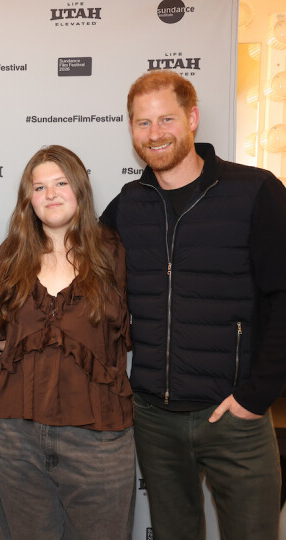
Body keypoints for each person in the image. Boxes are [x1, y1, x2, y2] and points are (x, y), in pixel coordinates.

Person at [100, 70, 286, 540]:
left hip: (234, 416)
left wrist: (256, 395)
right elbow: (70, 256)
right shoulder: (128, 204)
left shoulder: (255, 191)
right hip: (154, 420)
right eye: (143, 123)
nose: (155, 133)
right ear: (131, 130)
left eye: (166, 119)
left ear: (193, 118)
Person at [0, 146, 134, 539]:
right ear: (28, 200)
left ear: (80, 189)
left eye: (61, 183)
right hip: (15, 434)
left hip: (98, 435)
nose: (50, 194)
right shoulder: (10, 255)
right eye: (39, 187)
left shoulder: (113, 251)